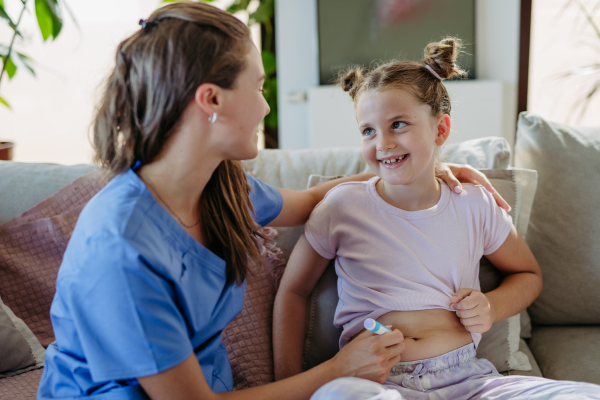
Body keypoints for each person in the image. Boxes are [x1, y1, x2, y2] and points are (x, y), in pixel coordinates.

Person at [36, 4, 510, 400]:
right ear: (212, 100)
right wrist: (337, 369)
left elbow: (307, 201)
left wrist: (416, 170)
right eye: (258, 87)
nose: (265, 107)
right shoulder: (121, 247)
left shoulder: (223, 186)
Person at [272, 38, 600, 400]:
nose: (382, 143)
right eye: (368, 130)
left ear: (440, 130)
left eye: (398, 124)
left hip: (470, 381)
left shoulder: (474, 203)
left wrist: (492, 306)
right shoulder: (341, 207)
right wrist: (290, 385)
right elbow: (293, 291)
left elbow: (528, 275)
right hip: (374, 381)